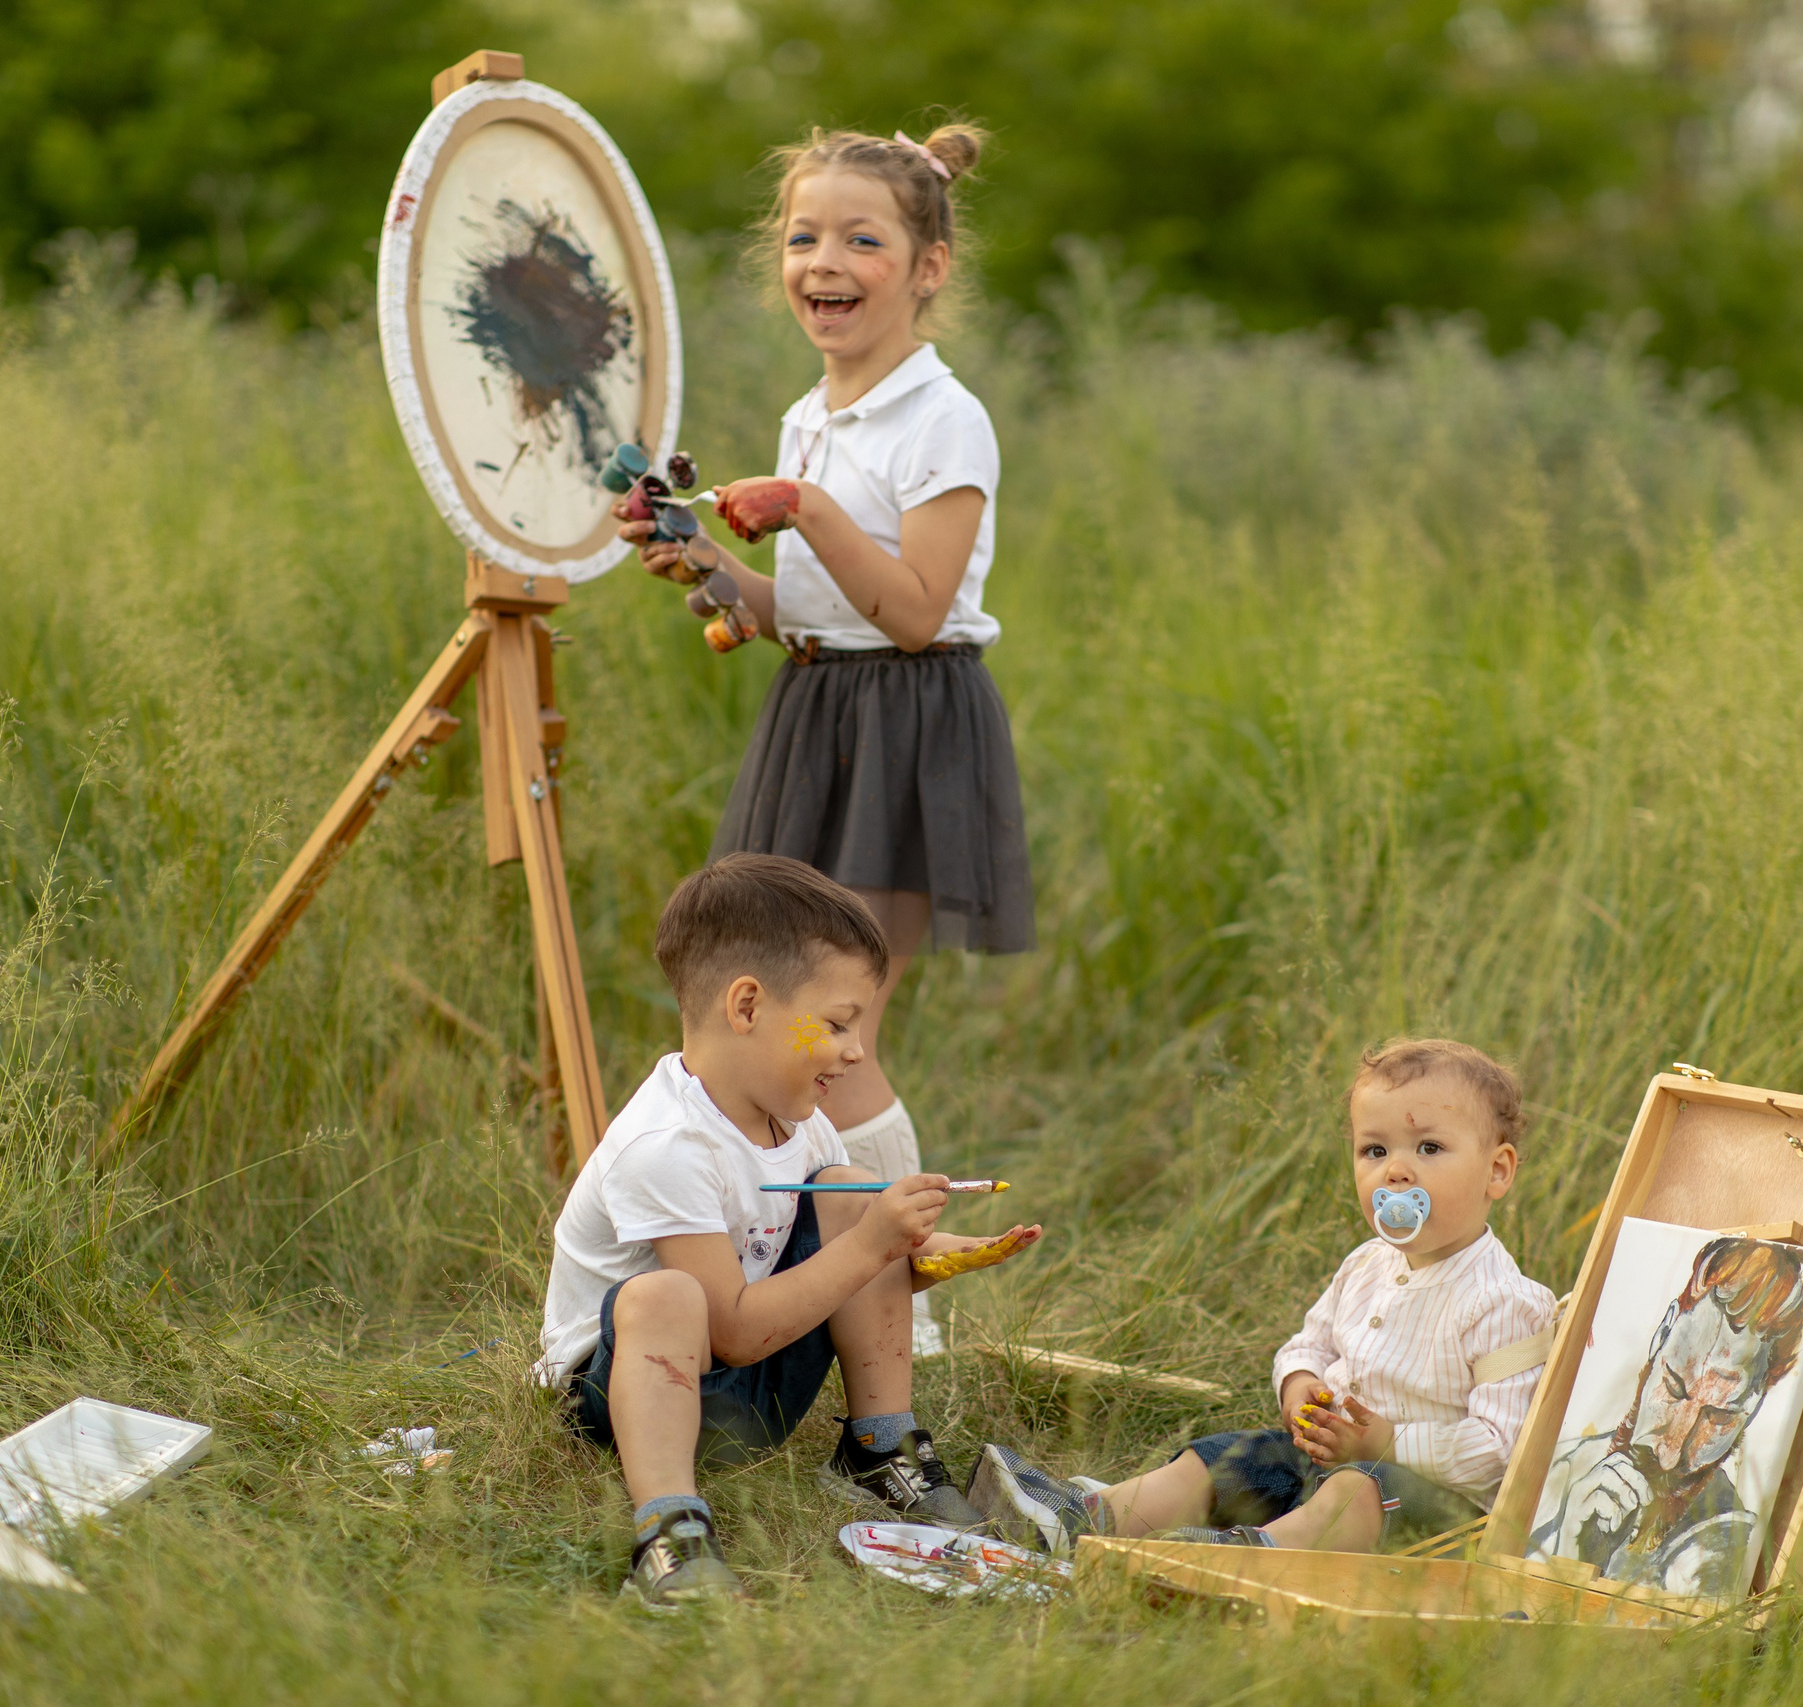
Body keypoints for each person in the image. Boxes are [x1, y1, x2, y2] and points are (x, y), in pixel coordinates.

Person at [616, 123, 1031, 1357]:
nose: (824, 260)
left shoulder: (943, 420)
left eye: (863, 238)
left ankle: (894, 1305)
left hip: (906, 728)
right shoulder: (813, 414)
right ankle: (842, 1287)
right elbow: (800, 606)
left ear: (929, 265)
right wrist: (709, 566)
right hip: (814, 714)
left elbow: (908, 612)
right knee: (785, 1038)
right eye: (804, 237)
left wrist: (810, 508)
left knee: (832, 1040)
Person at [531, 855, 1041, 1609]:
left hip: (741, 1383)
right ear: (746, 1006)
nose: (856, 1049)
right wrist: (874, 1242)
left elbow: (851, 1250)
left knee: (844, 1195)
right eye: (836, 1023)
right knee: (669, 1292)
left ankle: (880, 1446)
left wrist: (939, 1248)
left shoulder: (800, 1123)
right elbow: (730, 1329)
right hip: (623, 1397)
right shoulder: (666, 1143)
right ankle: (670, 1529)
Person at [967, 1038, 1555, 1555]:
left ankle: (1251, 1554)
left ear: (1496, 1172)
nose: (1396, 1172)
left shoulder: (1505, 1303)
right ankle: (1088, 1519)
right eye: (1375, 1151)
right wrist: (1300, 1385)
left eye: (1428, 1148)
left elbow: (1502, 1451)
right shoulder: (1366, 1265)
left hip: (1429, 1515)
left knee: (1356, 1492)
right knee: (1232, 1457)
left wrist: (1387, 1443)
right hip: (1325, 1464)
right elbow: (1311, 1343)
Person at [1524, 1236, 1803, 1597]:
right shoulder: (1557, 1465)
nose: (1670, 1453)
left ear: (1755, 1404)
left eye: (1718, 1417)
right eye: (1674, 1387)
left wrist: (1573, 1569)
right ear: (1662, 1333)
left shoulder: (1716, 1553)